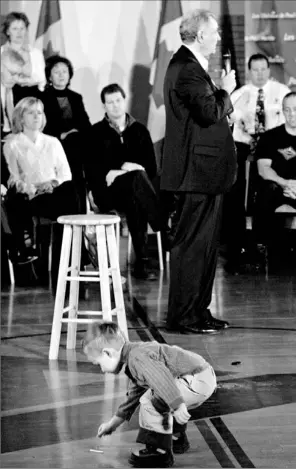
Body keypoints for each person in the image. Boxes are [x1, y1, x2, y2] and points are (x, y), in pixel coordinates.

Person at [160, 9, 237, 334]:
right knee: (192, 247)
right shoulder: (187, 68)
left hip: (205, 174)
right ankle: (184, 316)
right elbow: (209, 113)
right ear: (201, 35)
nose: (218, 38)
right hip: (196, 173)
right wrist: (226, 90)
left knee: (205, 247)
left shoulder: (188, 65)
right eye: (215, 32)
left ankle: (199, 311)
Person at [82, 321, 217, 468]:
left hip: (196, 379)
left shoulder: (138, 357)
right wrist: (113, 424)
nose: (102, 370)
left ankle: (160, 453)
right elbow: (133, 397)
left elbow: (161, 378)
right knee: (159, 398)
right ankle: (175, 438)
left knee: (150, 402)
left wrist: (177, 405)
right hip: (199, 376)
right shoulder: (134, 356)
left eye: (98, 364)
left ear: (107, 353)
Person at [86, 83, 168, 280]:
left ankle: (143, 263)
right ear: (104, 106)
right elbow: (94, 170)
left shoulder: (140, 130)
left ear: (124, 101)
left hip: (134, 192)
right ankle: (161, 230)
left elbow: (151, 168)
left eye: (118, 101)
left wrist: (121, 169)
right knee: (136, 183)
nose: (115, 105)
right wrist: (126, 167)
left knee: (136, 197)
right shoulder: (95, 132)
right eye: (110, 102)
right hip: (107, 192)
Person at [223, 53, 290, 273]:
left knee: (266, 192)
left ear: (269, 70)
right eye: (255, 70)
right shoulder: (240, 94)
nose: (260, 73)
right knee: (234, 194)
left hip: (273, 151)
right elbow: (227, 121)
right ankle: (239, 249)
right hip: (243, 151)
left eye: (263, 69)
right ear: (249, 71)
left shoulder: (282, 93)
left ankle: (264, 246)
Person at [3, 97, 79, 270]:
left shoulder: (53, 142)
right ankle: (73, 257)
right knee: (67, 205)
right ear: (21, 118)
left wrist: (53, 182)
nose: (36, 116)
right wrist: (36, 186)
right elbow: (13, 179)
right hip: (32, 197)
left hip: (55, 193)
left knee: (71, 189)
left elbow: (65, 174)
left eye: (39, 112)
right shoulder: (12, 144)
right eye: (31, 113)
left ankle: (69, 255)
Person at [252, 91, 296, 268]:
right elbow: (263, 169)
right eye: (287, 110)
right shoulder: (270, 137)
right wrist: (284, 183)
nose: (291, 114)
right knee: (266, 189)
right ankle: (265, 248)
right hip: (277, 188)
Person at [42, 55, 91, 213]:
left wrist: (73, 133)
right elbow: (41, 127)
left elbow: (86, 125)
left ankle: (82, 215)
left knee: (79, 143)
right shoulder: (42, 97)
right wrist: (61, 135)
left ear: (70, 74)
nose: (62, 75)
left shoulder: (76, 98)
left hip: (75, 145)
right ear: (49, 75)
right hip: (53, 146)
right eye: (57, 71)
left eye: (65, 71)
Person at [1, 11, 46, 104]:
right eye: (15, 29)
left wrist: (27, 79)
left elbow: (42, 79)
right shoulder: (1, 52)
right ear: (7, 31)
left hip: (33, 97)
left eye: (22, 28)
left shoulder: (35, 53)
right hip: (7, 96)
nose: (19, 32)